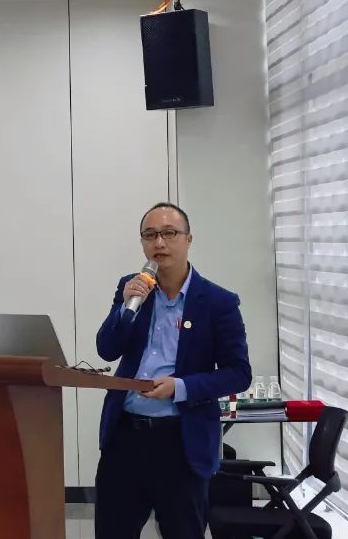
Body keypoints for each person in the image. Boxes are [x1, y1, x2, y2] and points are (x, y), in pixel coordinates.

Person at [94, 202, 251, 539]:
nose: (159, 243)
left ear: (188, 239)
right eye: (150, 235)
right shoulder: (133, 288)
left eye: (169, 233)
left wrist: (180, 387)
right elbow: (107, 349)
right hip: (125, 437)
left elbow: (238, 372)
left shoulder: (218, 302)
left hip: (181, 441)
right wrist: (124, 307)